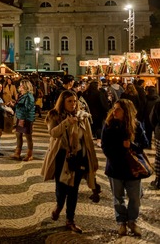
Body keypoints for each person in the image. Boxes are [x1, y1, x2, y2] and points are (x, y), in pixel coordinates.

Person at [41, 90, 99, 234]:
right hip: (61, 155)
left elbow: (88, 137)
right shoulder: (54, 115)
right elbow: (53, 133)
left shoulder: (82, 117)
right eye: (70, 101)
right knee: (61, 187)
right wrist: (67, 122)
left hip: (78, 155)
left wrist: (91, 157)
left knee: (74, 189)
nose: (73, 104)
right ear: (63, 102)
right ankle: (59, 204)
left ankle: (70, 220)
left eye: (75, 101)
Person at [101, 99, 150, 236]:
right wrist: (115, 156)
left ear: (126, 112)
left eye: (118, 109)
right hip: (115, 167)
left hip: (132, 169)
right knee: (118, 197)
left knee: (135, 198)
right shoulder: (109, 125)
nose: (114, 111)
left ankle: (132, 221)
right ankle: (121, 222)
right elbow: (104, 146)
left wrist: (132, 145)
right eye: (114, 108)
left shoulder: (136, 125)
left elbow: (144, 144)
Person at [12, 79, 36, 161]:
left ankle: (29, 154)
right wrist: (15, 104)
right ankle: (17, 152)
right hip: (20, 117)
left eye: (21, 85)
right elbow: (20, 105)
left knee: (28, 136)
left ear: (25, 86)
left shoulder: (29, 96)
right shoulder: (22, 95)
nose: (20, 86)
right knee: (18, 135)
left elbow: (27, 108)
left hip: (26, 118)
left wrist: (23, 119)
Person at [147, 86, 160, 189]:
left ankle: (158, 180)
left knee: (159, 158)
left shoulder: (158, 104)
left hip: (159, 134)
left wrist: (156, 128)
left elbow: (152, 119)